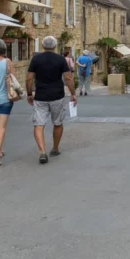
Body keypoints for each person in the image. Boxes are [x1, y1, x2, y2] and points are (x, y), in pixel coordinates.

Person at [26, 36, 77, 164]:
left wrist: (29, 93)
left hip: (40, 96)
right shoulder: (60, 59)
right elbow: (68, 78)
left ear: (43, 45)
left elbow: (29, 78)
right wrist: (73, 93)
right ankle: (55, 148)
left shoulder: (36, 59)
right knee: (58, 122)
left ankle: (42, 151)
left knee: (39, 124)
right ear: (54, 46)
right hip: (57, 96)